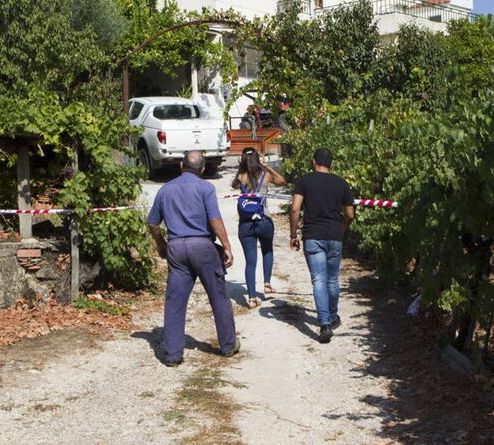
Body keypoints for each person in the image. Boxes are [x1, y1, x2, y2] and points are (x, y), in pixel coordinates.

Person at [147, 150, 240, 366]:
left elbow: (152, 223)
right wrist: (226, 246)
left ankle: (173, 355)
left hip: (177, 248)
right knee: (218, 297)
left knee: (175, 301)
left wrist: (161, 244)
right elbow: (215, 219)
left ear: (181, 165)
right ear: (203, 169)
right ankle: (227, 345)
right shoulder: (205, 188)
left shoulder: (165, 190)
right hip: (203, 247)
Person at [290, 148, 355, 344]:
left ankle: (324, 324)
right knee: (332, 279)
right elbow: (350, 214)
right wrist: (342, 228)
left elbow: (295, 208)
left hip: (313, 236)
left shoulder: (304, 181)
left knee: (318, 279)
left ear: (313, 162)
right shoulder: (342, 183)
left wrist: (293, 234)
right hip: (334, 235)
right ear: (331, 164)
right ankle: (333, 316)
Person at [232, 147, 285, 308]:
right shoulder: (265, 175)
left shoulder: (241, 176)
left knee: (250, 261)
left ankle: (252, 297)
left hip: (245, 223)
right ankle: (267, 283)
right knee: (267, 250)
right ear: (258, 159)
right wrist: (266, 165)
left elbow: (235, 186)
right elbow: (282, 180)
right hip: (264, 220)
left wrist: (240, 166)